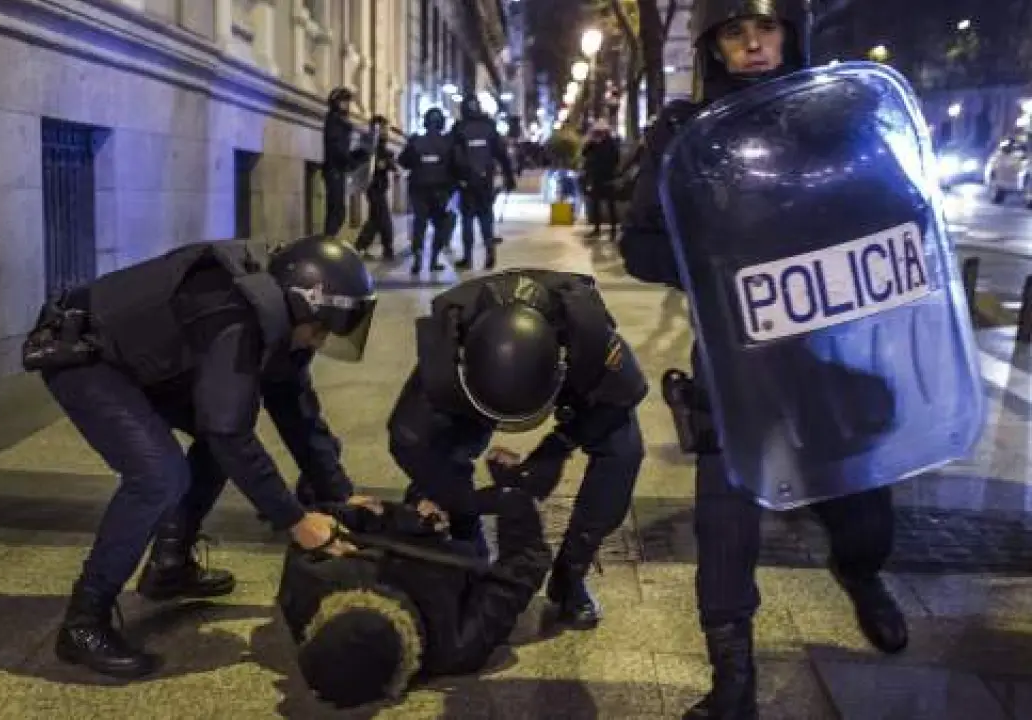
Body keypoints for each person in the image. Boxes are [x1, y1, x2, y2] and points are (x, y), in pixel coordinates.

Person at [620, 2, 908, 717]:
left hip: (825, 342)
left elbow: (897, 205)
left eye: (765, 26)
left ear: (790, 32)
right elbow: (640, 244)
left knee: (860, 494)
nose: (751, 43)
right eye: (734, 31)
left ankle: (862, 574)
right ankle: (733, 672)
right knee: (724, 519)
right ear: (713, 45)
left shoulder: (833, 119)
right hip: (732, 354)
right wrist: (717, 263)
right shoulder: (683, 134)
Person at [20, 235, 378, 679]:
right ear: (302, 303)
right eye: (321, 328)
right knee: (159, 475)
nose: (321, 341)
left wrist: (340, 492)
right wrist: (295, 520)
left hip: (147, 360)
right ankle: (83, 623)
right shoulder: (235, 316)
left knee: (217, 438)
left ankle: (170, 565)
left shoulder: (281, 317)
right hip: (84, 355)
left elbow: (297, 412)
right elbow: (229, 432)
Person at [387, 269, 648, 629]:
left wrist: (557, 447)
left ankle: (570, 575)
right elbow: (409, 440)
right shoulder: (444, 353)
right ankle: (464, 546)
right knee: (436, 454)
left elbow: (619, 404)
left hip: (563, 361)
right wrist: (454, 501)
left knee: (623, 451)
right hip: (472, 388)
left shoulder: (590, 340)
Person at [277, 463, 551, 709]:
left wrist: (402, 517)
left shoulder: (456, 648)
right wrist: (511, 496)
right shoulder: (307, 585)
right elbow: (522, 567)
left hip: (424, 532)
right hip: (447, 539)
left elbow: (523, 568)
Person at [450, 94, 517, 271]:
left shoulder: (459, 128)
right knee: (486, 217)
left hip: (466, 181)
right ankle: (490, 253)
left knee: (467, 219)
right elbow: (501, 153)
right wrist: (509, 177)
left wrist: (455, 179)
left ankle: (468, 257)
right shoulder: (489, 126)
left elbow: (453, 156)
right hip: (485, 179)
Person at [398, 107, 461, 275]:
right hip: (441, 189)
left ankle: (418, 255)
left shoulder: (416, 141)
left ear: (425, 122)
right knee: (442, 224)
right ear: (442, 123)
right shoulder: (448, 143)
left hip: (418, 188)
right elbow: (456, 165)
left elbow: (403, 161)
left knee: (419, 223)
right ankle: (433, 259)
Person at [323, 87, 371, 237]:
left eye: (347, 102)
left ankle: (329, 240)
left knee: (339, 211)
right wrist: (351, 160)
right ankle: (327, 242)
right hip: (334, 170)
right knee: (337, 211)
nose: (346, 105)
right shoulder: (334, 121)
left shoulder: (341, 122)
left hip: (338, 170)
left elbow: (343, 148)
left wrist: (360, 155)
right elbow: (336, 148)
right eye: (343, 101)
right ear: (335, 102)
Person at [354, 115, 400, 261]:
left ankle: (359, 247)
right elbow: (372, 162)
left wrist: (390, 164)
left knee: (374, 220)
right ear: (377, 128)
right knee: (384, 219)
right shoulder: (371, 143)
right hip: (374, 187)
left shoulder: (380, 144)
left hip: (379, 187)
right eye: (384, 128)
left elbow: (387, 161)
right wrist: (386, 164)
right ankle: (388, 249)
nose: (387, 131)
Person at [580, 120, 621, 237]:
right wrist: (590, 141)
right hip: (597, 177)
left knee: (610, 204)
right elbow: (584, 153)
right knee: (596, 203)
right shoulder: (594, 143)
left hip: (607, 177)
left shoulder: (611, 143)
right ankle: (597, 229)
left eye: (599, 132)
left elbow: (615, 158)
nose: (598, 134)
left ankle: (613, 230)